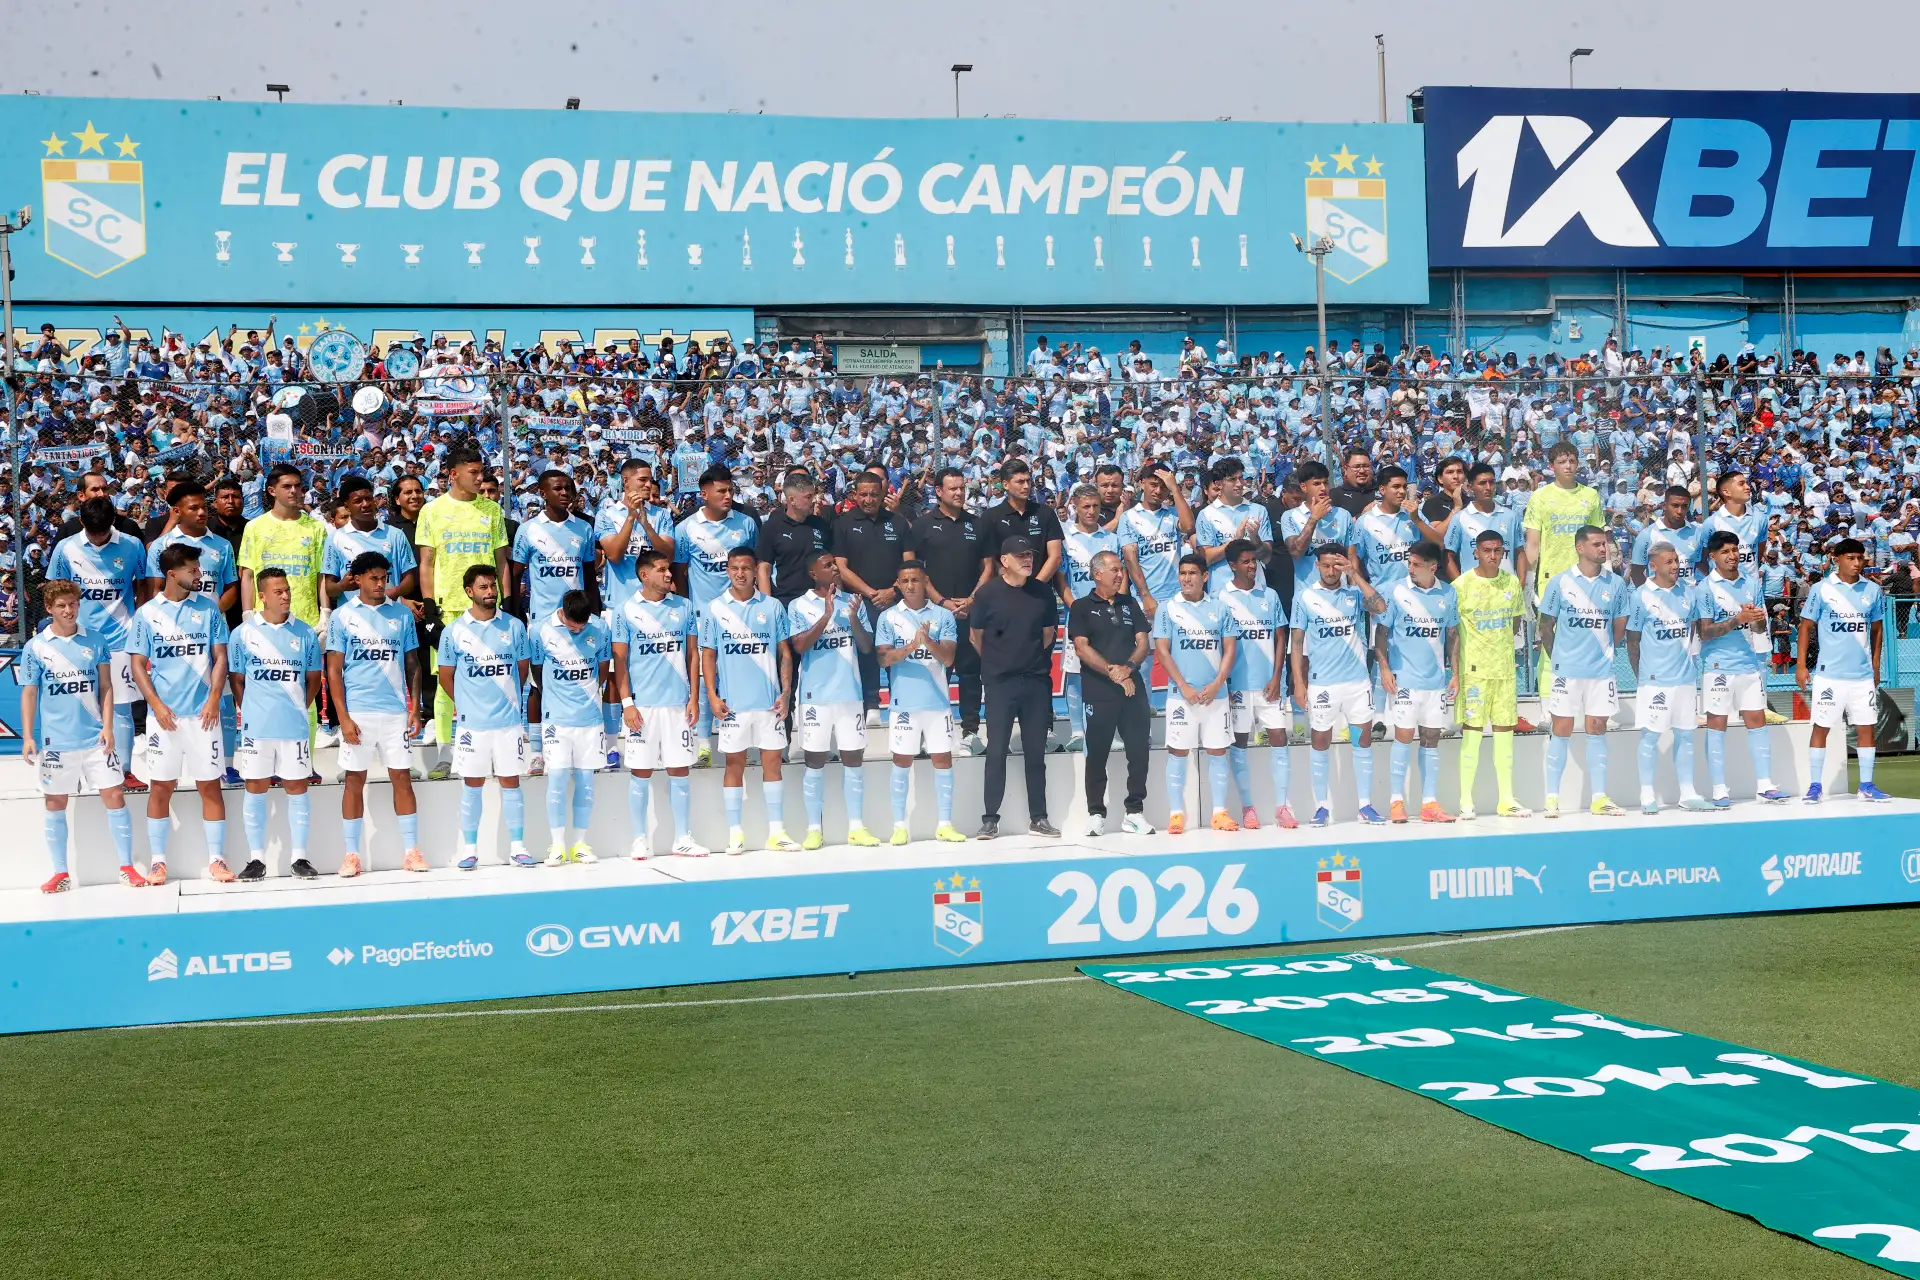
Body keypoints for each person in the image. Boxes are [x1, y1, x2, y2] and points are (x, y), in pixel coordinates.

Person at [22, 579, 138, 891]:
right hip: (57, 742)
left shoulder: (96, 640)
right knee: (55, 801)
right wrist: (28, 736)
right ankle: (60, 873)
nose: (69, 610)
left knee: (115, 796)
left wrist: (109, 726)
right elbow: (30, 693)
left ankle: (127, 867)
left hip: (95, 739)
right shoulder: (35, 647)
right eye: (61, 605)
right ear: (49, 609)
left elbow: (106, 687)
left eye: (73, 603)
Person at [128, 544, 231, 884]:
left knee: (210, 787)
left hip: (204, 716)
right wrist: (155, 705)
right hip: (165, 719)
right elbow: (138, 664)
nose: (199, 575)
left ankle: (217, 860)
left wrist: (214, 698)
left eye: (198, 570)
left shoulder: (210, 610)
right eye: (192, 570)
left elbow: (220, 658)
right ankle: (158, 862)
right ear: (172, 574)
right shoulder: (146, 613)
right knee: (160, 788)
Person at [327, 552, 425, 877]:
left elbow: (413, 663)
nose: (381, 584)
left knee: (403, 779)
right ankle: (351, 854)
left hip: (396, 713)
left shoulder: (402, 614)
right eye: (374, 578)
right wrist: (343, 717)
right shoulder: (342, 617)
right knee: (354, 781)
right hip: (359, 713)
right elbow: (334, 670)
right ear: (357, 579)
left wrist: (415, 710)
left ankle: (411, 851)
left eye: (384, 578)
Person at [416, 445, 511, 776]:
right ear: (453, 474)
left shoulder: (492, 510)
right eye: (473, 472)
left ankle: (494, 748)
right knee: (446, 683)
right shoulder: (432, 511)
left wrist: (508, 602)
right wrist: (429, 608)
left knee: (492, 678)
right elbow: (426, 563)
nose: (480, 477)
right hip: (449, 612)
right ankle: (445, 753)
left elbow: (502, 563)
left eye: (481, 471)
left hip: (488, 611)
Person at [700, 545, 798, 854]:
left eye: (746, 568)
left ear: (756, 571)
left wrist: (785, 693)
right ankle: (735, 833)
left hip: (769, 703)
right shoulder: (715, 608)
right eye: (734, 568)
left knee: (773, 763)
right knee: (734, 764)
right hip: (733, 706)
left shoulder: (772, 607)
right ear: (727, 570)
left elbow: (785, 653)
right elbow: (708, 655)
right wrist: (713, 696)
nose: (740, 573)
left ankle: (777, 832)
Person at [227, 567, 323, 879]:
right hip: (258, 729)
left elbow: (313, 680)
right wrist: (253, 711)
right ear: (262, 596)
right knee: (255, 788)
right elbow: (237, 680)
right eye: (278, 592)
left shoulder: (305, 633)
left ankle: (300, 858)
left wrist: (297, 708)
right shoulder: (242, 634)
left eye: (287, 590)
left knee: (297, 787)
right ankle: (256, 859)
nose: (285, 596)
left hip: (293, 728)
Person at [438, 564, 536, 869]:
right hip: (472, 726)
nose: (491, 592)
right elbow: (445, 676)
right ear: (469, 592)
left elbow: (522, 669)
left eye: (493, 586)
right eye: (483, 587)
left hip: (508, 724)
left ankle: (518, 848)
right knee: (472, 785)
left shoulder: (515, 627)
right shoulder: (454, 631)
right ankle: (469, 850)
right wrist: (468, 703)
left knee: (511, 783)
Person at [47, 495, 148, 788]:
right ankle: (77, 772)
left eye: (104, 530)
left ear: (113, 522)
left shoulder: (132, 545)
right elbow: (56, 590)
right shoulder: (66, 548)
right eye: (93, 531)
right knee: (80, 704)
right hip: (79, 640)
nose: (99, 536)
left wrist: (138, 622)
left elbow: (142, 585)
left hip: (121, 638)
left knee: (122, 706)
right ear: (81, 523)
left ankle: (124, 770)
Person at [613, 550, 706, 858]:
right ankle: (639, 839)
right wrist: (627, 703)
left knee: (680, 771)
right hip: (643, 707)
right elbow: (621, 661)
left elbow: (693, 655)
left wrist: (694, 697)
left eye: (669, 569)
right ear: (645, 575)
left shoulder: (684, 606)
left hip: (678, 705)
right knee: (641, 772)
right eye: (662, 570)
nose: (669, 574)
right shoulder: (625, 610)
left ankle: (683, 838)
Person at [968, 535, 1060, 840]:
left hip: (1035, 681)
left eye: (1030, 555)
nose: (1028, 560)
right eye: (1020, 556)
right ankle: (990, 819)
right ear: (1003, 561)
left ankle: (1040, 817)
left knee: (1036, 754)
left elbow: (1048, 635)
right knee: (996, 751)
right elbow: (975, 637)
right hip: (1000, 684)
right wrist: (1000, 664)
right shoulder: (987, 594)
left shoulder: (1042, 592)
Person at [1537, 525, 1632, 818]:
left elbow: (1619, 625)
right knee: (1561, 730)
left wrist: (1604, 654)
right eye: (1597, 544)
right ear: (1580, 548)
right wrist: (1560, 660)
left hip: (1601, 672)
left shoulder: (1615, 584)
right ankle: (1552, 798)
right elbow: (1545, 626)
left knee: (1597, 729)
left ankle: (1599, 797)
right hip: (1567, 671)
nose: (1604, 549)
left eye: (1605, 544)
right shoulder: (1561, 582)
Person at [1290, 543, 1387, 826]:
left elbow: (1380, 607)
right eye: (1325, 566)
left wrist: (1354, 576)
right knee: (1320, 743)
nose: (1331, 571)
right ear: (1317, 566)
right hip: (1323, 685)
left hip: (1358, 682)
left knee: (1363, 744)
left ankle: (1365, 806)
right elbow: (1297, 643)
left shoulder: (1355, 593)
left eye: (1336, 565)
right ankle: (1321, 807)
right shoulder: (1305, 597)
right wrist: (1299, 682)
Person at [787, 550, 877, 849]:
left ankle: (857, 827)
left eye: (835, 564)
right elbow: (799, 646)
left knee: (854, 758)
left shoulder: (853, 601)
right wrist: (826, 615)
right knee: (814, 760)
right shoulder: (799, 605)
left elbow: (866, 648)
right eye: (827, 566)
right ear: (814, 573)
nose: (835, 568)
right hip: (815, 697)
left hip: (849, 694)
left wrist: (852, 619)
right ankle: (814, 829)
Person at [875, 562, 968, 843]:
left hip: (938, 703)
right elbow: (884, 659)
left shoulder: (944, 615)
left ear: (926, 581)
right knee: (901, 761)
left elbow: (949, 658)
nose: (910, 585)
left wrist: (927, 641)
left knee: (943, 759)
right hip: (904, 704)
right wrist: (911, 647)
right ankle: (899, 826)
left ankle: (945, 824)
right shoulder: (888, 617)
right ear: (898, 584)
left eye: (915, 579)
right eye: (905, 580)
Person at [512, 470, 598, 773]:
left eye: (569, 488)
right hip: (542, 622)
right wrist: (513, 613)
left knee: (579, 681)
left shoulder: (584, 529)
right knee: (538, 686)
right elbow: (515, 573)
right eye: (557, 488)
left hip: (578, 620)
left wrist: (594, 613)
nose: (564, 493)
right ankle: (537, 750)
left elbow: (589, 577)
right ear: (542, 493)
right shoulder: (528, 530)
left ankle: (577, 746)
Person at [1696, 529, 1788, 806]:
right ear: (1712, 557)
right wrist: (1739, 618)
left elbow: (1758, 626)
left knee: (1757, 723)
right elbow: (1705, 632)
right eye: (1724, 551)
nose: (1732, 556)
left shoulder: (1751, 583)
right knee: (1717, 725)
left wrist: (1758, 620)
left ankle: (1765, 785)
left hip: (1749, 664)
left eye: (1735, 550)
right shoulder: (1704, 588)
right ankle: (1719, 789)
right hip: (1718, 667)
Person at [675, 465, 759, 768]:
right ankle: (703, 747)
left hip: (742, 615)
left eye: (731, 490)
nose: (727, 496)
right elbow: (680, 571)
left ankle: (744, 745)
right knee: (703, 680)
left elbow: (752, 566)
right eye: (721, 491)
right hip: (703, 617)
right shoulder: (685, 529)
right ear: (704, 494)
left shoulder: (747, 524)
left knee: (740, 679)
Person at [1797, 537, 1890, 804]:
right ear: (1836, 560)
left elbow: (1877, 630)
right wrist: (1801, 665)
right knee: (1821, 727)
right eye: (1850, 558)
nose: (1856, 563)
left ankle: (1866, 785)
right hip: (1829, 674)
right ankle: (1815, 786)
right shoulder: (1821, 589)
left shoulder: (1872, 591)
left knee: (1866, 728)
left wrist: (1875, 665)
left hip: (1861, 676)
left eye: (1860, 558)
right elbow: (1805, 626)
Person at [1154, 552, 1241, 833]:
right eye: (1183, 573)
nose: (1186, 578)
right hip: (1182, 697)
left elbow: (1230, 648)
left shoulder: (1220, 607)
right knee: (1177, 752)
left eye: (1192, 573)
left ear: (1205, 577)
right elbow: (1163, 651)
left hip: (1215, 696)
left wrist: (1217, 683)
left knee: (1218, 752)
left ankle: (1219, 813)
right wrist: (1184, 686)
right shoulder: (1167, 608)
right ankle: (1177, 814)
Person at [1069, 550, 1153, 837]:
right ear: (1097, 574)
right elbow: (1082, 647)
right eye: (1115, 570)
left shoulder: (1131, 603)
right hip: (1099, 691)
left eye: (1121, 570)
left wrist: (1127, 669)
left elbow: (1143, 643)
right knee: (1097, 756)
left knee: (1139, 752)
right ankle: (1095, 813)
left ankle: (1135, 812)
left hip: (1132, 689)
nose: (1120, 574)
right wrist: (1113, 672)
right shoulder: (1080, 607)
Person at [909, 467, 992, 754]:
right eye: (953, 488)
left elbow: (989, 568)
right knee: (933, 672)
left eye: (962, 488)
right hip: (934, 613)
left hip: (971, 611)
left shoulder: (977, 524)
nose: (959, 493)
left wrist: (970, 599)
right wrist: (942, 602)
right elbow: (916, 571)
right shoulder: (922, 525)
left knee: (971, 673)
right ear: (939, 492)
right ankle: (929, 732)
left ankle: (970, 731)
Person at [1625, 545, 1712, 816]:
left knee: (1686, 735)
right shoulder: (1640, 596)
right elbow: (1633, 641)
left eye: (1676, 560)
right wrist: (1642, 676)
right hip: (1654, 680)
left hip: (1685, 679)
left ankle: (1688, 794)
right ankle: (1647, 795)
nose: (1675, 565)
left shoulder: (1689, 592)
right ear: (1654, 565)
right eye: (1669, 561)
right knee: (1650, 737)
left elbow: (1697, 630)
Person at [1376, 540, 1459, 823]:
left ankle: (1429, 803)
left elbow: (1452, 635)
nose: (1410, 568)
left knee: (1431, 739)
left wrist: (1455, 673)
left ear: (1432, 568)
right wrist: (1385, 669)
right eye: (1409, 563)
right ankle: (1396, 801)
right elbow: (1381, 634)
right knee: (1403, 736)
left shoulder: (1448, 594)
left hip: (1435, 681)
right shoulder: (1395, 590)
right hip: (1404, 681)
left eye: (1416, 564)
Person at [529, 589, 612, 864]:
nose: (579, 629)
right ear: (562, 612)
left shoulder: (600, 628)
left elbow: (603, 667)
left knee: (586, 783)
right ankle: (557, 846)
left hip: (590, 720)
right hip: (557, 721)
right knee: (557, 780)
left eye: (583, 625)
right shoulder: (541, 629)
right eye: (573, 625)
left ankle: (580, 844)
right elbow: (537, 672)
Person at [1453, 533, 1531, 821]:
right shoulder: (1460, 586)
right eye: (1487, 550)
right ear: (1476, 552)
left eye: (1498, 551)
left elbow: (1514, 624)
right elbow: (1453, 634)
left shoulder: (1511, 583)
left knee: (1504, 736)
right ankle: (1465, 801)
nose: (1493, 556)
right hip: (1474, 674)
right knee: (1472, 736)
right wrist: (1456, 672)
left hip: (1504, 672)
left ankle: (1506, 800)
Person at [1219, 539, 1294, 829]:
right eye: (1246, 562)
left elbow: (1280, 638)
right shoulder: (1221, 597)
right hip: (1237, 685)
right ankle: (1248, 808)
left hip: (1268, 685)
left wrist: (1277, 677)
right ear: (1232, 566)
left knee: (1279, 737)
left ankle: (1282, 806)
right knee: (1239, 743)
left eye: (1254, 561)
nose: (1252, 566)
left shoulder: (1270, 595)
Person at [832, 470, 909, 725]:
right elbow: (840, 567)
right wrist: (872, 593)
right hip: (862, 602)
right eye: (863, 494)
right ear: (854, 495)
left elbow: (910, 564)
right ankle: (871, 706)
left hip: (897, 601)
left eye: (874, 494)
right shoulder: (843, 523)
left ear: (883, 494)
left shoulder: (897, 522)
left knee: (898, 653)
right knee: (866, 653)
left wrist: (894, 591)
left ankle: (902, 703)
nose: (868, 499)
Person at [1059, 483, 1120, 752]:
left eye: (1096, 506)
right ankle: (1076, 731)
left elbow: (1120, 577)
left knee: (1110, 672)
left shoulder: (1110, 539)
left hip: (1108, 616)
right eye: (1086, 506)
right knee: (1075, 674)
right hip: (1079, 616)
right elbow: (1061, 582)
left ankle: (1112, 730)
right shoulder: (1065, 538)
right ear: (1075, 506)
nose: (1092, 511)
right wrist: (1078, 610)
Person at [980, 458, 1064, 587]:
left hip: (1040, 593)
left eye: (1028, 481)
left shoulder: (1046, 513)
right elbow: (990, 561)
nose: (1026, 486)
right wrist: (1011, 584)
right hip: (1004, 592)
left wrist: (1035, 587)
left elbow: (1055, 557)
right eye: (1020, 481)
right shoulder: (990, 517)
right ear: (1005, 484)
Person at [1193, 458, 1271, 594]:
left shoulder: (1259, 510)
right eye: (1232, 479)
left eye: (1241, 478)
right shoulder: (1206, 514)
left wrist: (1256, 540)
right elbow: (1206, 558)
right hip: (1221, 593)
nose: (1239, 484)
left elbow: (1267, 557)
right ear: (1218, 484)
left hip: (1256, 591)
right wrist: (1235, 542)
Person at [1280, 461, 1355, 601]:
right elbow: (1296, 552)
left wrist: (1355, 590)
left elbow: (1351, 558)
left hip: (1342, 596)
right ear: (1304, 487)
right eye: (1316, 483)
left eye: (1325, 483)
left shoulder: (1343, 515)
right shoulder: (1290, 516)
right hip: (1308, 597)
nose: (1323, 488)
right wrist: (1314, 518)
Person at [757, 468, 832, 605]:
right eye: (808, 497)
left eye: (814, 495)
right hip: (786, 601)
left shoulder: (820, 525)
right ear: (792, 500)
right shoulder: (772, 527)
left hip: (819, 601)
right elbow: (763, 568)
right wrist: (767, 606)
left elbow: (832, 564)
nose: (814, 500)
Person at [1442, 463, 1524, 580]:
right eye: (1482, 483)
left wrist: (1520, 584)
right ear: (1470, 487)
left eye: (1491, 482)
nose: (1488, 487)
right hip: (1473, 593)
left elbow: (1521, 552)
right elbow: (1447, 556)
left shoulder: (1511, 516)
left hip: (1506, 592)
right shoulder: (1460, 518)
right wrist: (1461, 587)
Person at [1701, 470, 1768, 582]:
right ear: (1726, 492)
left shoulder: (1760, 518)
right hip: (1722, 589)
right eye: (1741, 484)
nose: (1747, 487)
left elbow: (1759, 553)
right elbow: (1703, 558)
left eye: (1747, 483)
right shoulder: (1711, 523)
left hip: (1751, 587)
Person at [1630, 487, 1704, 586]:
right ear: (1664, 506)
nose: (1679, 511)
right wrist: (1649, 596)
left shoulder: (1697, 533)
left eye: (1684, 506)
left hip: (1690, 598)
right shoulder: (1647, 535)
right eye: (1675, 505)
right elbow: (1636, 572)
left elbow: (1701, 566)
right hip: (1659, 599)